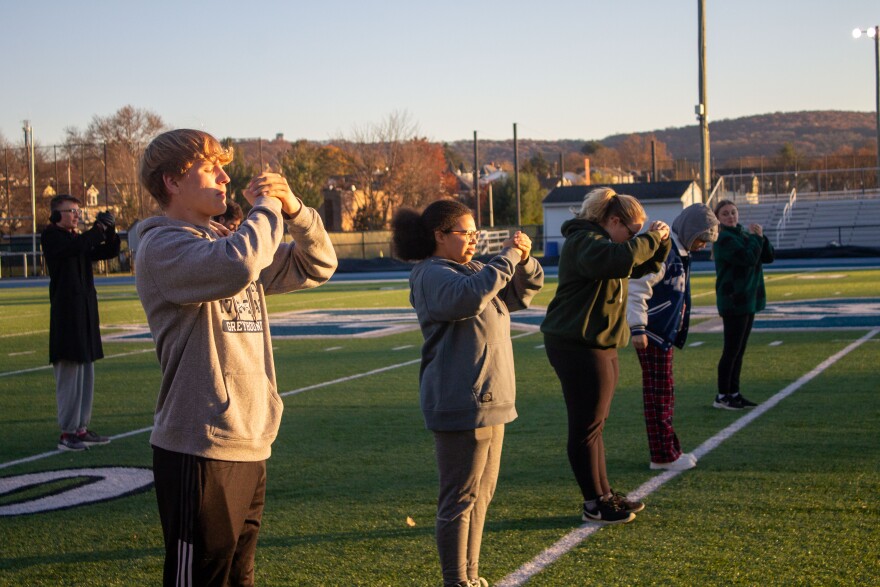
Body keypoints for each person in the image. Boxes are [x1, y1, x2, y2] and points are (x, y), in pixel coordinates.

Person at [135, 129, 337, 586]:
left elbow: (318, 265)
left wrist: (296, 211)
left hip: (249, 437)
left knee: (238, 576)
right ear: (172, 181)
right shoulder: (163, 247)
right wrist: (266, 207)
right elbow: (239, 264)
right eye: (211, 168)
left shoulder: (225, 239)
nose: (226, 177)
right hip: (199, 444)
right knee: (200, 579)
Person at [392, 200, 543, 587]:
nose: (475, 240)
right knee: (459, 500)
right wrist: (508, 256)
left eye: (476, 234)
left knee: (480, 499)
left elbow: (520, 294)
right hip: (461, 401)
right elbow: (468, 297)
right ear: (439, 236)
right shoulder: (431, 274)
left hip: (493, 399)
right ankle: (455, 580)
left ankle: (471, 577)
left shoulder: (473, 268)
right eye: (467, 234)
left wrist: (524, 260)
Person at [540, 187, 671, 525]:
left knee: (595, 426)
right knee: (586, 427)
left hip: (597, 343)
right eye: (631, 231)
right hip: (576, 344)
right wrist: (650, 239)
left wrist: (661, 243)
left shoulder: (605, 244)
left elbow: (638, 265)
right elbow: (622, 259)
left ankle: (604, 494)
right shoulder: (585, 241)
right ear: (613, 221)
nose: (634, 238)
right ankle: (593, 502)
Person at [627, 204, 719, 471]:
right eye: (701, 239)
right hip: (652, 333)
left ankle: (667, 449)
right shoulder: (666, 251)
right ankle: (662, 455)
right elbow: (637, 287)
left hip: (661, 333)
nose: (702, 245)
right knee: (659, 395)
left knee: (663, 393)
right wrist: (638, 327)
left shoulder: (680, 252)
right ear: (690, 232)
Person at [41, 194, 120, 452]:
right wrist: (95, 231)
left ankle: (81, 428)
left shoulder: (77, 239)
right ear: (55, 216)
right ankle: (67, 432)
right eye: (71, 211)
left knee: (86, 371)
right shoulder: (52, 237)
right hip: (67, 315)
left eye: (77, 210)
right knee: (70, 373)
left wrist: (110, 231)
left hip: (85, 313)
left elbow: (107, 251)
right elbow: (75, 248)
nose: (76, 215)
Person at [712, 199, 775, 410]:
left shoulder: (743, 235)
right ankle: (722, 395)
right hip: (733, 301)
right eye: (725, 214)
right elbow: (748, 258)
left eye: (733, 212)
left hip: (747, 300)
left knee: (739, 349)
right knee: (731, 350)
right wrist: (756, 239)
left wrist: (762, 238)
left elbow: (768, 256)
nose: (731, 217)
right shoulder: (722, 238)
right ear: (718, 219)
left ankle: (734, 392)